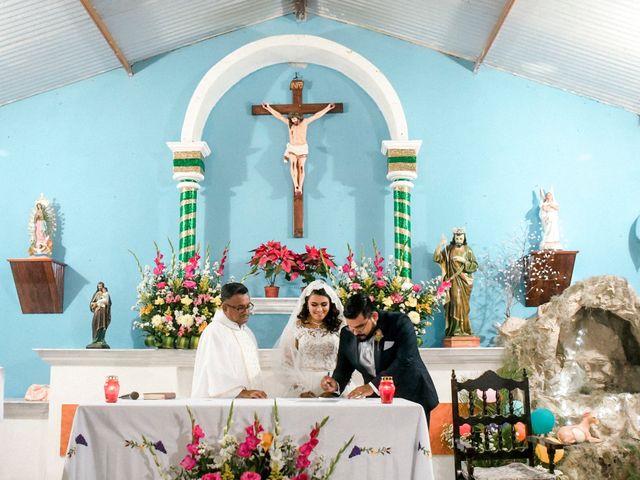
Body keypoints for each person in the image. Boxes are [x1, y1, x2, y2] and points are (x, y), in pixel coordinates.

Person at [320, 293, 439, 423]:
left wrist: (371, 386)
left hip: (411, 397)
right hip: (376, 403)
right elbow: (344, 369)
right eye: (351, 327)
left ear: (374, 316)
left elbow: (405, 361)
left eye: (360, 327)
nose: (354, 332)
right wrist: (335, 385)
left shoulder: (399, 322)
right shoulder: (347, 334)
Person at [191, 282, 267, 399]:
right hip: (219, 405)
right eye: (240, 307)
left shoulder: (247, 332)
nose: (247, 312)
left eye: (248, 306)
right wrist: (241, 392)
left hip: (247, 403)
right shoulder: (214, 331)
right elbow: (216, 371)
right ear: (225, 308)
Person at [273, 280, 344, 397]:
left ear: (331, 304)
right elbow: (286, 362)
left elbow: (345, 362)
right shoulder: (297, 327)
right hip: (304, 385)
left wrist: (336, 386)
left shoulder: (340, 327)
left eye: (324, 304)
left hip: (332, 383)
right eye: (314, 304)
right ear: (307, 304)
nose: (319, 309)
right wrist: (300, 389)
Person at [261, 102, 335, 195]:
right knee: (293, 165)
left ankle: (300, 186)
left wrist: (328, 108)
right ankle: (296, 186)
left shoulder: (305, 122)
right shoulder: (289, 123)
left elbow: (317, 116)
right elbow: (279, 116)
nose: (293, 121)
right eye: (292, 119)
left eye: (295, 119)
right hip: (292, 147)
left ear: (299, 118)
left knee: (300, 167)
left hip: (302, 148)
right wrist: (268, 108)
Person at [433, 228, 478, 336]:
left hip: (464, 281)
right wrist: (440, 244)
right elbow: (437, 258)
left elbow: (475, 266)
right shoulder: (448, 249)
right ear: (454, 238)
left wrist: (464, 261)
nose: (459, 240)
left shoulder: (468, 250)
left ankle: (465, 329)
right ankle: (455, 329)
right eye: (457, 238)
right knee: (455, 303)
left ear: (464, 238)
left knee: (464, 306)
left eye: (461, 238)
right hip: (453, 282)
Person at [86, 282, 111, 349]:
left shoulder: (106, 294)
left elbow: (109, 303)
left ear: (103, 287)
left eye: (101, 286)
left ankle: (101, 339)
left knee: (103, 325)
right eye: (98, 286)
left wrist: (105, 304)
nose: (100, 287)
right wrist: (95, 305)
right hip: (97, 311)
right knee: (95, 324)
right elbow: (92, 303)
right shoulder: (96, 294)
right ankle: (95, 339)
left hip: (104, 312)